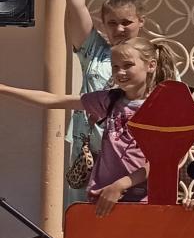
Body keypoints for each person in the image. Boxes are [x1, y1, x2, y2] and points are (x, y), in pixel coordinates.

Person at [45, 0, 151, 206]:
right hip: (89, 151)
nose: (119, 29)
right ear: (103, 23)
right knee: (84, 229)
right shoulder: (94, 49)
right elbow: (75, 3)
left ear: (141, 21)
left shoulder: (153, 59)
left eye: (126, 22)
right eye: (112, 22)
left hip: (133, 162)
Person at [0, 37, 161, 214]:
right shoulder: (108, 100)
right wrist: (5, 89)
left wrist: (122, 185)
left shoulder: (161, 106)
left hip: (142, 202)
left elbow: (166, 161)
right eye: (115, 66)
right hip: (102, 199)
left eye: (128, 65)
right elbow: (53, 100)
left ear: (150, 65)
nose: (120, 72)